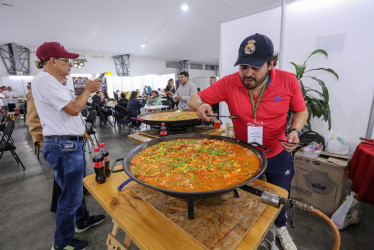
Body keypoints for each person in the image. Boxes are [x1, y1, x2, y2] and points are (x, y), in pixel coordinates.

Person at [188, 33, 308, 250]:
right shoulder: (229, 83)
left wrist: (295, 131)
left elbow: (301, 111)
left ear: (271, 63)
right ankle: (258, 234)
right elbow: (194, 99)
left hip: (278, 151)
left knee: (279, 194)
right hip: (245, 156)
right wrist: (199, 106)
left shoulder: (288, 81)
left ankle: (280, 228)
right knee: (250, 199)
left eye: (255, 67)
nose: (248, 74)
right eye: (244, 67)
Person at [32, 41, 105, 250]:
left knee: (76, 189)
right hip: (62, 147)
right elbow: (73, 109)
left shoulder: (55, 81)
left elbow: (69, 111)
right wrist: (88, 90)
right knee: (69, 197)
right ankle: (62, 242)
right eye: (67, 61)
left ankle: (82, 221)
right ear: (53, 61)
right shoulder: (45, 81)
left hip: (70, 144)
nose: (71, 65)